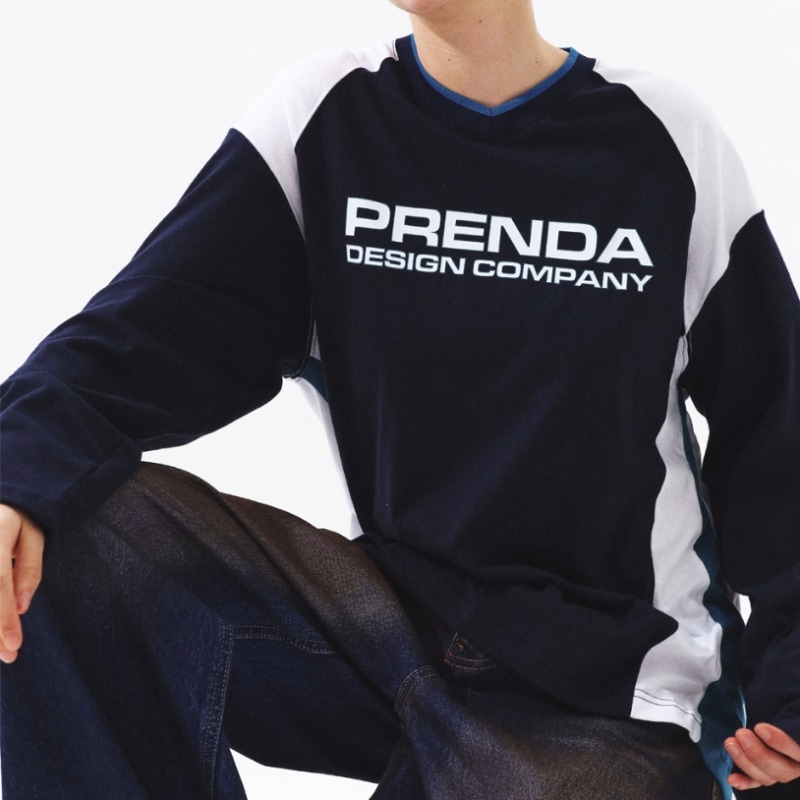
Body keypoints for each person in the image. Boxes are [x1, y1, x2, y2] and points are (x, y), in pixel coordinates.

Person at [2, 0, 800, 796]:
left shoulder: (663, 143)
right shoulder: (325, 123)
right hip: (393, 636)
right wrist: (15, 475)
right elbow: (143, 336)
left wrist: (792, 698)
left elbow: (778, 431)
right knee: (59, 524)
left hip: (612, 689)